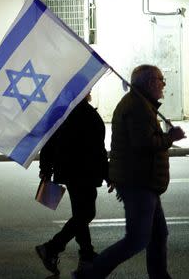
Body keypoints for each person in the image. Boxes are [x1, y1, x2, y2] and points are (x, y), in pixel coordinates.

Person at [75, 65, 186, 279]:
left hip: (144, 181)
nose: (164, 84)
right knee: (136, 240)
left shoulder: (141, 104)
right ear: (150, 82)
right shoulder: (137, 107)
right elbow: (143, 144)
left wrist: (165, 135)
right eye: (161, 80)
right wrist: (171, 138)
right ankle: (88, 274)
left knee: (158, 235)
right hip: (139, 182)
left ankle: (159, 276)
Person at [35, 94, 108, 275]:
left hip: (70, 171)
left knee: (81, 215)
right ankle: (52, 247)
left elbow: (48, 142)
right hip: (83, 172)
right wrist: (108, 174)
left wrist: (46, 168)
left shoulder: (62, 112)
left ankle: (86, 255)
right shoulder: (86, 113)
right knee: (85, 214)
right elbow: (97, 149)